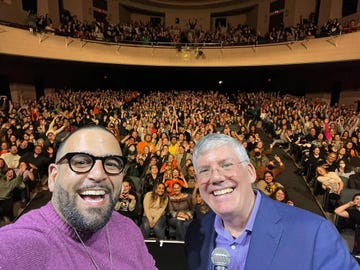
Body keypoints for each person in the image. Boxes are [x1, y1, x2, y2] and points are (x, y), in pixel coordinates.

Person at [185, 133, 358, 270]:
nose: (215, 177)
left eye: (226, 165)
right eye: (205, 170)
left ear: (251, 172)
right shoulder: (196, 233)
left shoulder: (314, 233)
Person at [0, 125, 156, 269]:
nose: (98, 174)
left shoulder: (129, 230)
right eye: (81, 162)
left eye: (111, 163)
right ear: (53, 177)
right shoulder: (18, 245)